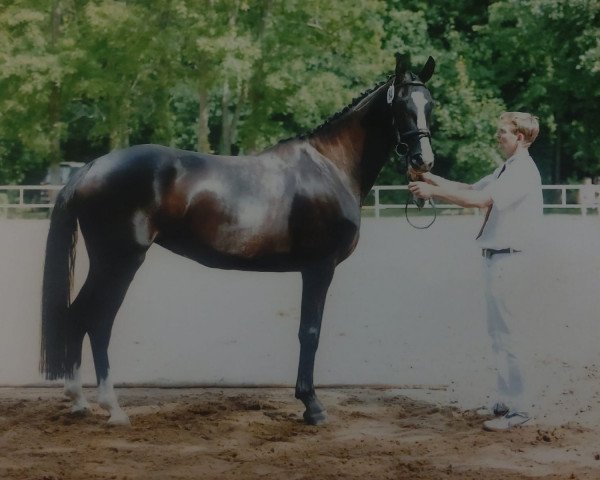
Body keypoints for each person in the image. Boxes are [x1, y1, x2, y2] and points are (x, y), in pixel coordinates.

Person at [408, 112, 543, 431]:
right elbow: (470, 187)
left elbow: (480, 200)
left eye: (503, 133)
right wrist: (430, 179)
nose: (498, 137)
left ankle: (521, 407)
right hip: (497, 259)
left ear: (520, 138)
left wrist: (434, 193)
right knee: (498, 335)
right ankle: (506, 399)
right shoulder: (507, 167)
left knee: (509, 336)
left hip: (511, 259)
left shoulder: (522, 170)